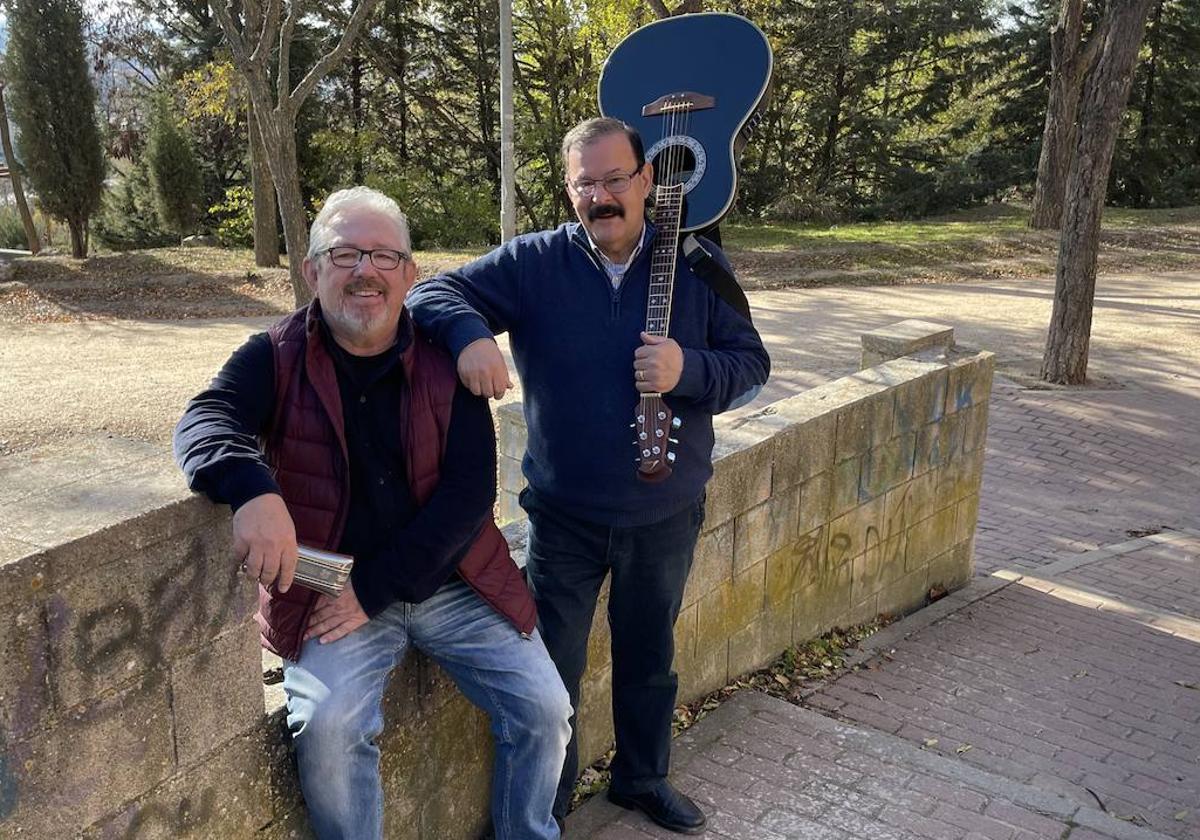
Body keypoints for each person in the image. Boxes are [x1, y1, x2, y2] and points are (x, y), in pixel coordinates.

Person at [407, 117, 770, 835]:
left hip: (664, 513)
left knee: (650, 659)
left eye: (614, 179)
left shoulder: (696, 264)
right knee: (551, 673)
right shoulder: (534, 263)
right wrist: (473, 334)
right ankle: (548, 805)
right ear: (568, 190)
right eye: (585, 183)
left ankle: (642, 779)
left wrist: (687, 370)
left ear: (646, 181)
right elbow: (430, 297)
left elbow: (752, 367)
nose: (601, 196)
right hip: (564, 516)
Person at [173, 187, 571, 840]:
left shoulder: (449, 360)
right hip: (328, 592)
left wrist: (373, 588)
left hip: (454, 583)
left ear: (409, 274)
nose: (366, 271)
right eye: (345, 254)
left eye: (385, 256)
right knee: (329, 733)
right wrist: (252, 489)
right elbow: (204, 419)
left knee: (546, 710)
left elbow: (470, 498)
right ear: (312, 272)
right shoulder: (274, 357)